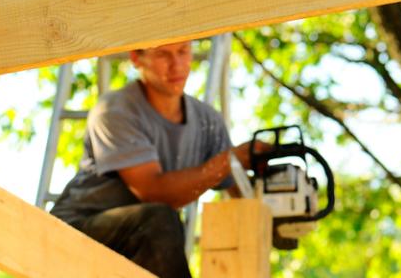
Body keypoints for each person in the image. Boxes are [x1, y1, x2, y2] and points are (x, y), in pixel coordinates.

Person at [50, 41, 261, 278]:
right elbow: (152, 191)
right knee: (159, 221)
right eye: (163, 55)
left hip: (137, 247)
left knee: (161, 224)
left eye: (183, 51)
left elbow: (241, 194)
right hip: (73, 235)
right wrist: (228, 161)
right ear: (136, 58)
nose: (176, 65)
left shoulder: (207, 121)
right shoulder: (115, 110)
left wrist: (276, 204)